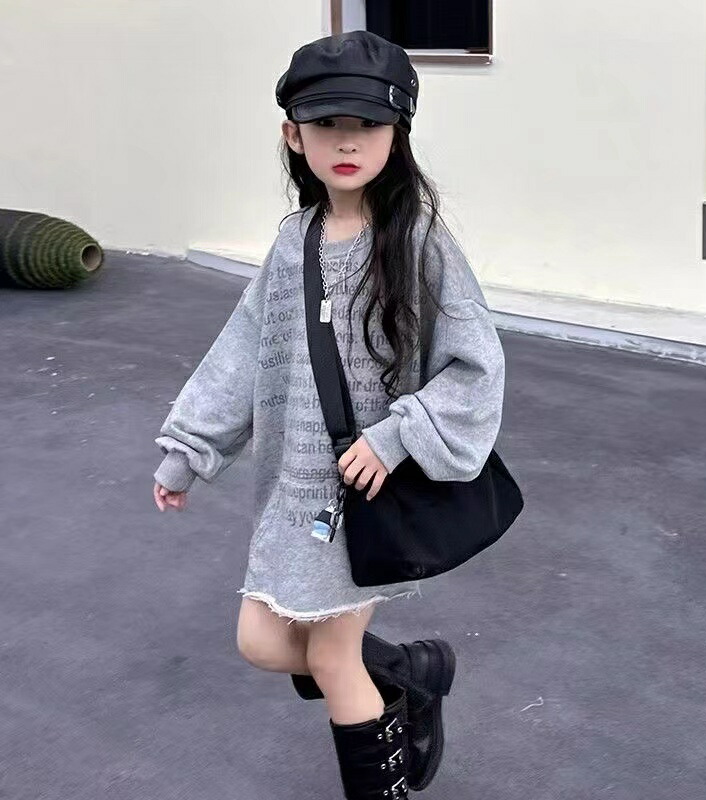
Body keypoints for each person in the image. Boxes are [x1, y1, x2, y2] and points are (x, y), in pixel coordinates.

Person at [152, 29, 505, 799]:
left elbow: (475, 366)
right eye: (327, 125)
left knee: (333, 658)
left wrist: (397, 435)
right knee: (262, 642)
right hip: (295, 492)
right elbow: (244, 351)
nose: (348, 142)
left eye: (367, 124)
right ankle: (412, 673)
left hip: (364, 492)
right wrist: (190, 449)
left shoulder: (416, 241)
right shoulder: (295, 243)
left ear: (397, 134)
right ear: (294, 135)